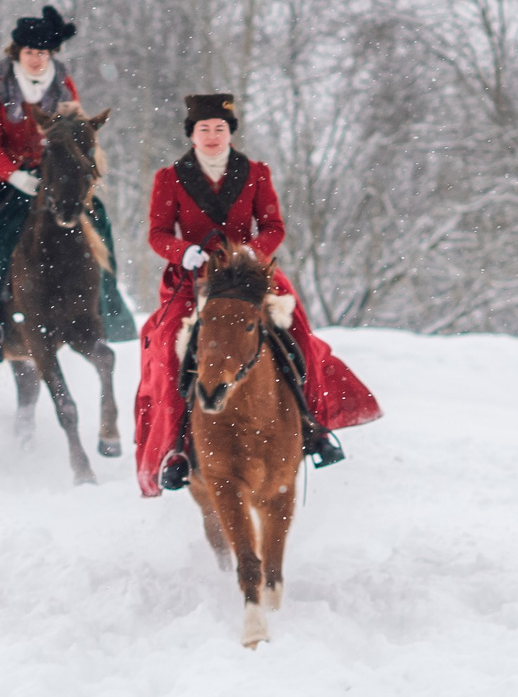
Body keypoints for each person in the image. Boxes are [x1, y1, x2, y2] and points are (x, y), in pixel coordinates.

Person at [132, 93, 382, 497]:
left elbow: (273, 225)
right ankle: (176, 448)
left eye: (219, 129)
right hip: (194, 277)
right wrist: (185, 252)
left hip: (248, 274)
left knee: (298, 328)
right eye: (204, 130)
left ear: (230, 133)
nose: (212, 136)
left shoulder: (256, 173)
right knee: (164, 347)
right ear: (191, 135)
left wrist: (252, 251)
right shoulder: (169, 177)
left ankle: (311, 426)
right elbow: (157, 234)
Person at [0, 5, 137, 362]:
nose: (36, 60)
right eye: (30, 53)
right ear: (18, 52)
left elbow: (74, 129)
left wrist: (61, 170)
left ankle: (103, 312)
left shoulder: (63, 84)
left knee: (100, 223)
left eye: (43, 53)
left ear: (52, 54)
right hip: (4, 176)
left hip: (54, 174)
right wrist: (14, 175)